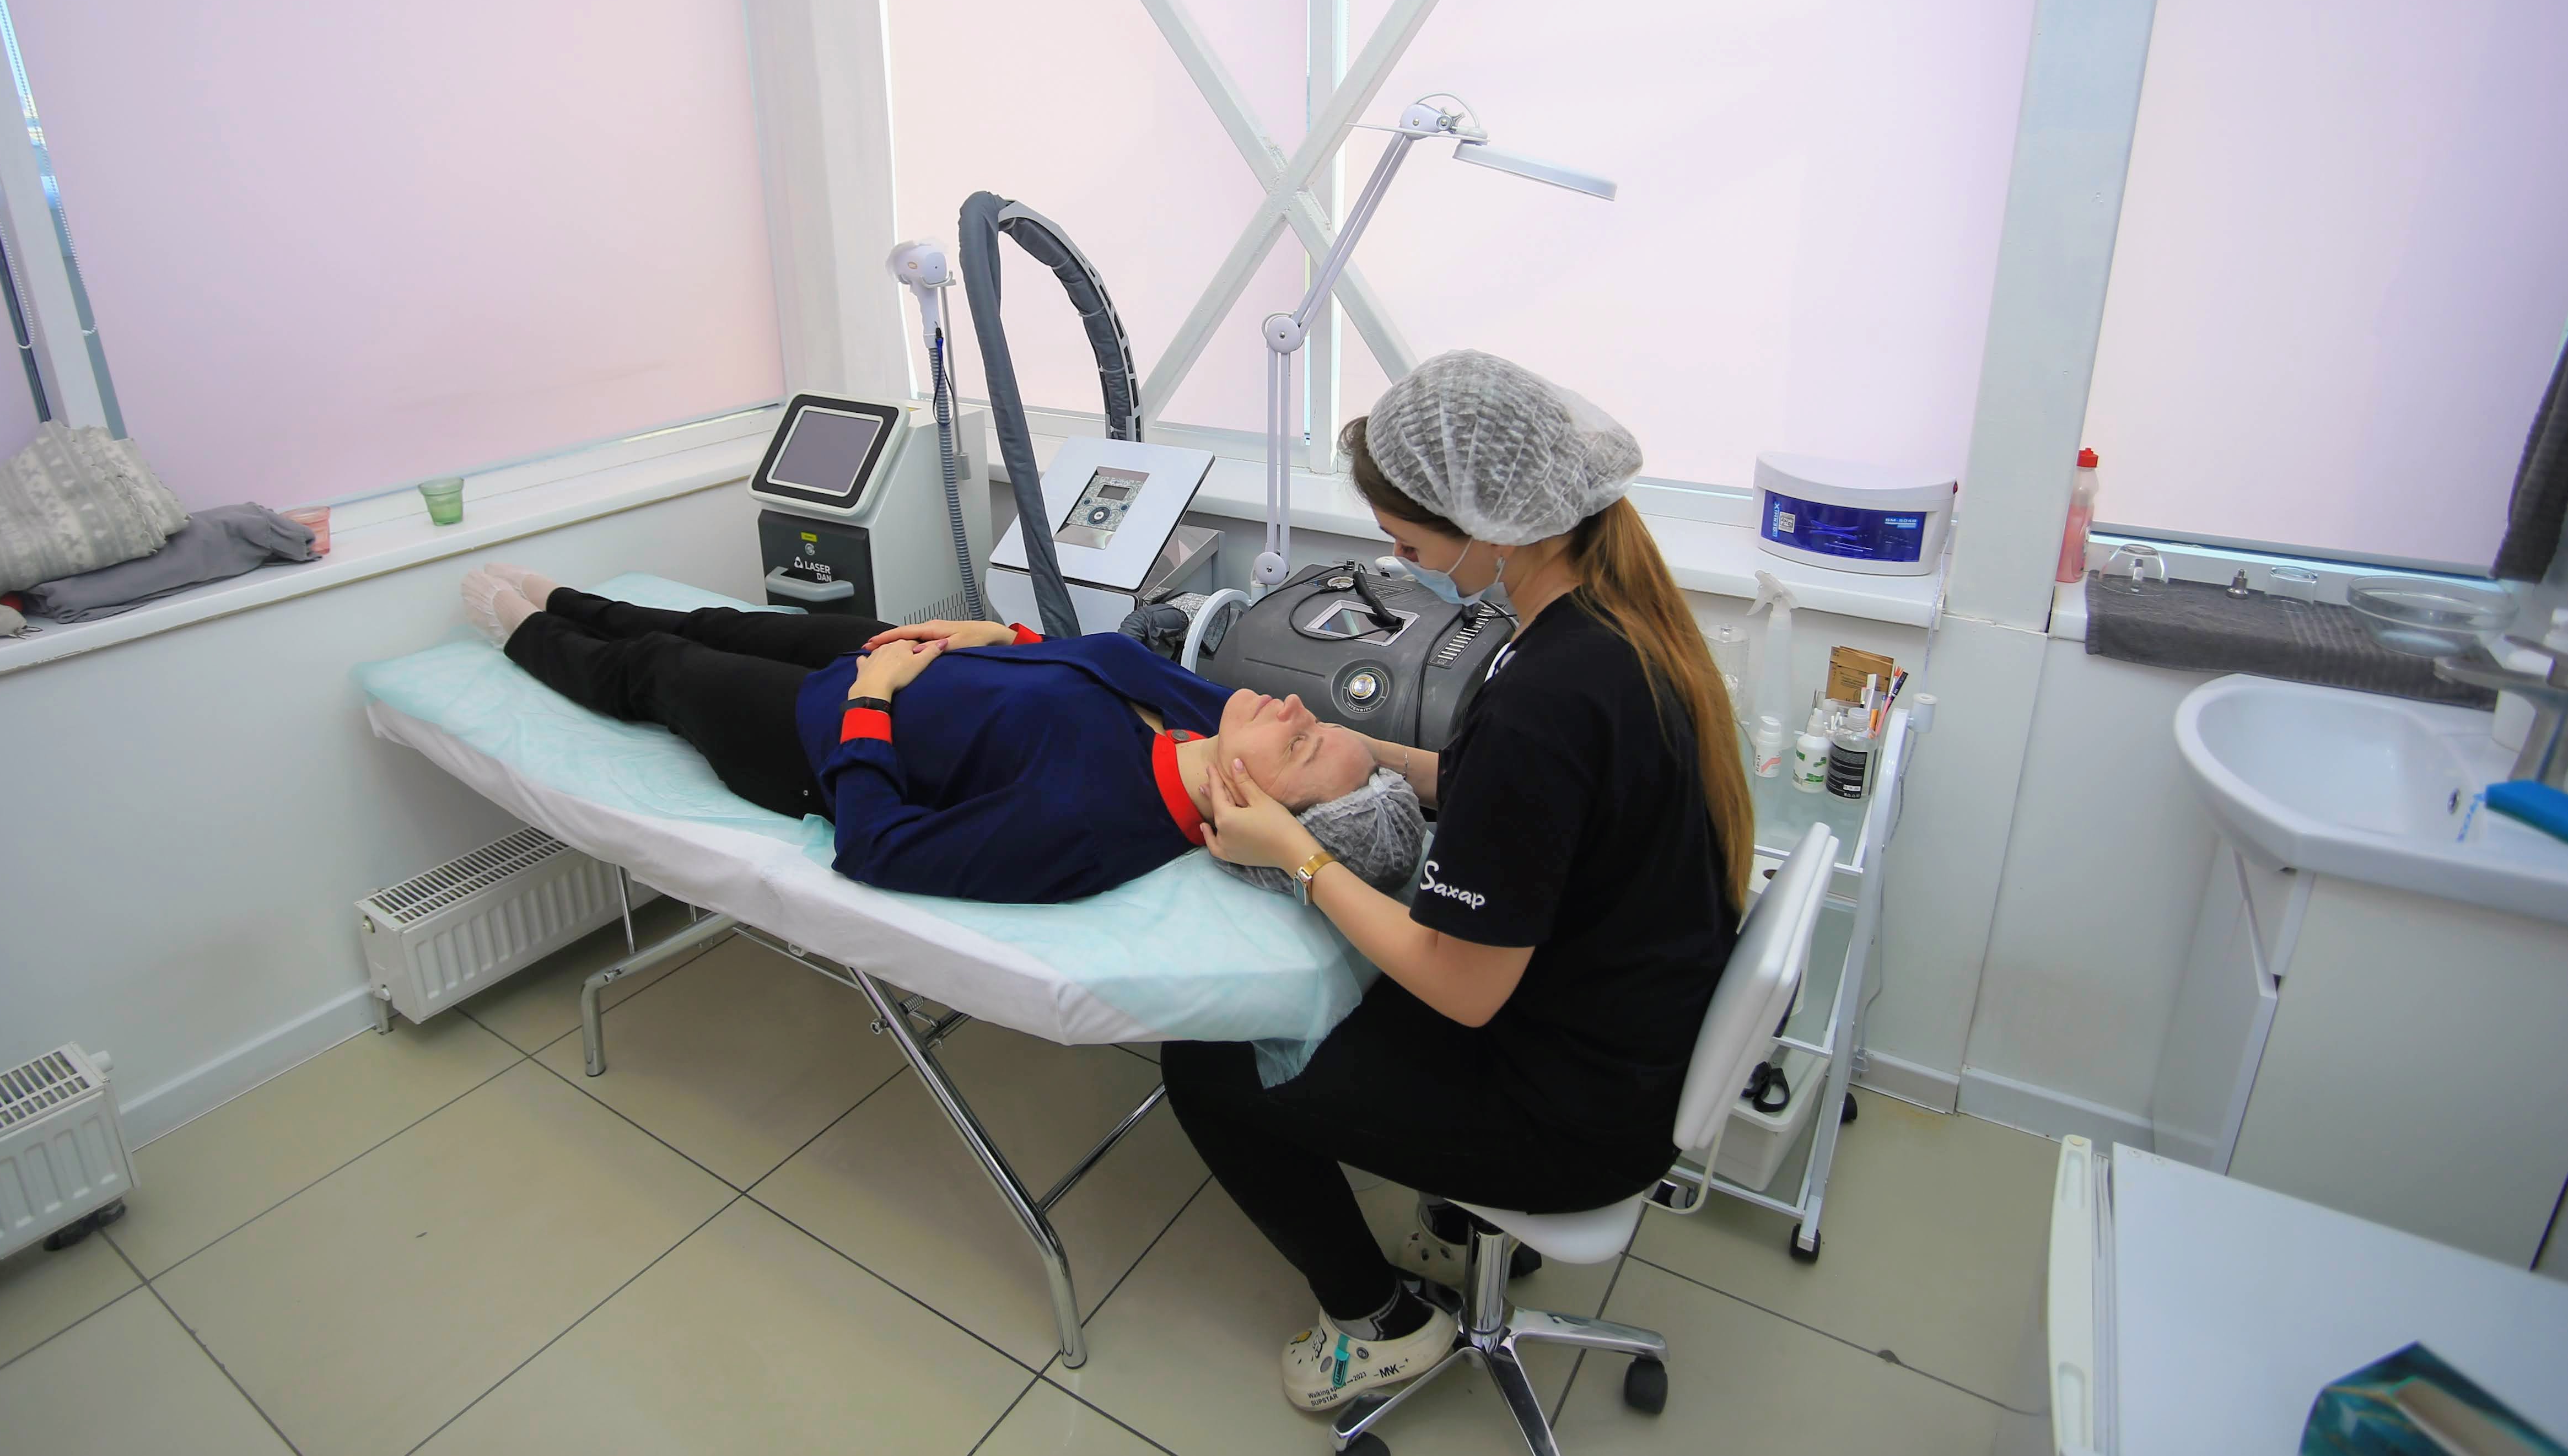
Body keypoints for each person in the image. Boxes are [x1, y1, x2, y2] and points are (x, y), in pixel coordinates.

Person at [1156, 349, 1753, 1415]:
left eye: (1406, 540)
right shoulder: (1604, 629)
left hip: (1570, 1114)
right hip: (1622, 1044)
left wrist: (1295, 853)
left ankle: (1377, 1323)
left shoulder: (1544, 700)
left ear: (1491, 525)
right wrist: (1362, 749)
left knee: (1206, 1064)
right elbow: (1511, 793)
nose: (1401, 560)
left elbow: (1462, 987)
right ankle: (1453, 1223)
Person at [454, 565, 1425, 905]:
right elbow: (1088, 664)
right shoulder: (1210, 717)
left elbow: (876, 847)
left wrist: (871, 703)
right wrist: (1002, 637)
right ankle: (575, 600)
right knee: (722, 621)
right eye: (1318, 722)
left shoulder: (1093, 827)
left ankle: (529, 635)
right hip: (922, 658)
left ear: (1254, 815)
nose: (1295, 710)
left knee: (660, 670)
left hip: (813, 736)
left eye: (1302, 747)